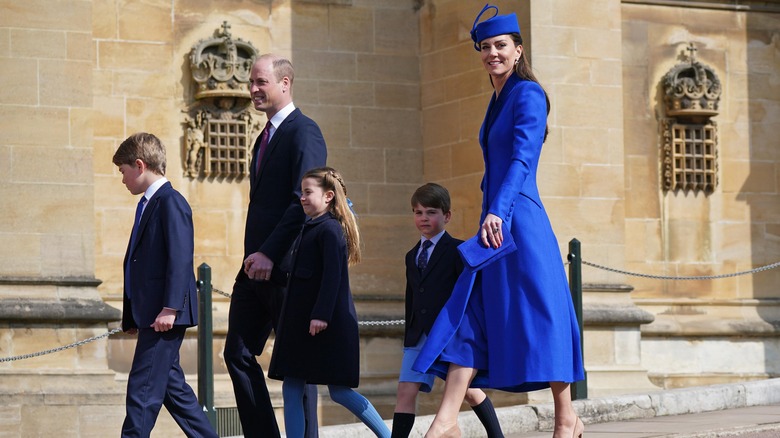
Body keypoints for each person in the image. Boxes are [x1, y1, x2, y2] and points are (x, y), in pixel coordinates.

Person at [413, 4, 585, 438]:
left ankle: (567, 417)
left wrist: (497, 210)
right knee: (472, 312)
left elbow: (523, 159)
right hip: (497, 219)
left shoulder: (527, 93)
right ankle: (446, 419)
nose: (492, 52)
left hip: (519, 220)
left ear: (517, 49)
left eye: (501, 46)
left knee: (542, 313)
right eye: (486, 47)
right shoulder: (496, 98)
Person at [223, 54, 327, 438]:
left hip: (288, 267)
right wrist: (257, 255)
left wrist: (270, 251)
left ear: (285, 83)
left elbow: (304, 201)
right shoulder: (263, 137)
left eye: (260, 82)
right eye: (251, 83)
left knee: (298, 365)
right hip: (255, 267)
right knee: (236, 353)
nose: (252, 90)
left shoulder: (305, 132)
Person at [268, 167, 391, 438]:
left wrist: (321, 315)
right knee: (291, 386)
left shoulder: (330, 230)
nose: (302, 197)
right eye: (301, 191)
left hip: (324, 326)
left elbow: (334, 276)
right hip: (302, 325)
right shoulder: (309, 227)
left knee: (339, 391)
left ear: (328, 196)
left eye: (308, 192)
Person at [114, 132, 218, 438]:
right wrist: (132, 315)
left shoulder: (170, 201)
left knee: (141, 392)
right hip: (152, 314)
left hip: (165, 315)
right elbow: (138, 262)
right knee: (176, 393)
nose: (122, 180)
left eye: (123, 172)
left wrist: (170, 307)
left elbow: (179, 257)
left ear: (139, 165)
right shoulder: (148, 203)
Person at [391, 183, 503, 438]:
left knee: (468, 391)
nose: (424, 218)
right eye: (418, 212)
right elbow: (413, 296)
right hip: (418, 335)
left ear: (447, 216)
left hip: (449, 334)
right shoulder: (411, 255)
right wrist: (409, 334)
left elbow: (469, 296)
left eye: (431, 212)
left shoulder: (459, 251)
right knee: (405, 392)